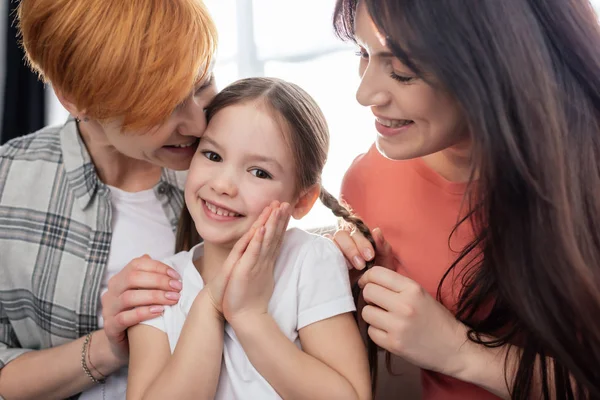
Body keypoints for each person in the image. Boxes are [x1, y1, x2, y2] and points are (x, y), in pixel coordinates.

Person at [330, 0, 600, 399]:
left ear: (497, 65)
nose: (364, 93)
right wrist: (359, 290)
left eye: (402, 72)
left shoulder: (586, 180)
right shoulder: (366, 185)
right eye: (363, 53)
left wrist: (459, 351)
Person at [0, 1, 219, 398]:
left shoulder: (228, 163)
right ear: (74, 98)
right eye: (161, 105)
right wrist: (108, 347)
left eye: (202, 84)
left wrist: (318, 255)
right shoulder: (7, 185)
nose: (199, 123)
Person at [126, 77, 372, 400]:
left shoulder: (309, 261)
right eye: (213, 155)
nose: (224, 185)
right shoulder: (161, 285)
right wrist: (210, 303)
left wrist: (249, 318)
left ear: (302, 201)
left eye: (259, 172)